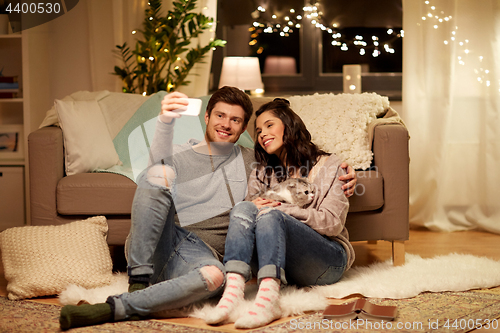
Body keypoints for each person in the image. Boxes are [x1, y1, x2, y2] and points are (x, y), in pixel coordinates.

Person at [59, 88, 356, 330]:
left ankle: (123, 307)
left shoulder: (254, 162)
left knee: (216, 277)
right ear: (207, 116)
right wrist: (164, 123)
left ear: (242, 130)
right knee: (155, 176)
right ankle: (138, 283)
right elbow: (152, 181)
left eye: (236, 120)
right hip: (169, 243)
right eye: (220, 116)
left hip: (205, 258)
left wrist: (349, 173)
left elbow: (291, 185)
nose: (226, 124)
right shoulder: (180, 155)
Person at [205, 98, 355, 329]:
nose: (262, 133)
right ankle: (233, 293)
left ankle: (268, 303)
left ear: (289, 125)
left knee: (270, 215)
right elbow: (248, 210)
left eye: (269, 125)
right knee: (244, 207)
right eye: (258, 130)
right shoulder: (262, 171)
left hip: (327, 260)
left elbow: (333, 223)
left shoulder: (330, 165)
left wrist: (282, 209)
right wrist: (256, 206)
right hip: (285, 262)